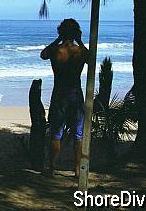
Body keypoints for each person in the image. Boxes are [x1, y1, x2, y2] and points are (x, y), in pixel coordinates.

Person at [40, 19, 89, 177]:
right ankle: (77, 169)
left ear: (61, 32)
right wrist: (80, 41)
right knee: (78, 133)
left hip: (59, 92)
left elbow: (43, 54)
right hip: (75, 92)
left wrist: (58, 39)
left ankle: (52, 167)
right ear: (76, 32)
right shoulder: (80, 51)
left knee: (56, 132)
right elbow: (91, 59)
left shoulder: (56, 51)